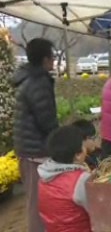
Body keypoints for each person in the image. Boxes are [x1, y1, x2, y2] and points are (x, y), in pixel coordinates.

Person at [11, 38, 59, 232]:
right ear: (45, 59)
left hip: (29, 149)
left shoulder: (28, 78)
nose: (54, 61)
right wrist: (61, 140)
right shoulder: (38, 82)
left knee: (36, 199)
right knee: (37, 201)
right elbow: (47, 121)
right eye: (52, 57)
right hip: (35, 151)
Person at [38, 126, 91, 232]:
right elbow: (97, 211)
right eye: (84, 147)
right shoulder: (80, 180)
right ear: (78, 155)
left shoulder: (43, 178)